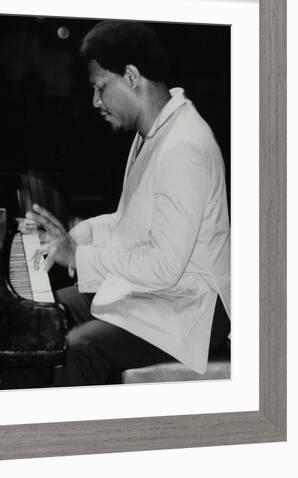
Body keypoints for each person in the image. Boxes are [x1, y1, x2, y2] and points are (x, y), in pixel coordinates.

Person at [26, 20, 231, 386]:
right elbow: (128, 222)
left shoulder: (183, 145)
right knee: (44, 312)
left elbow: (165, 264)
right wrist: (75, 235)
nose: (95, 102)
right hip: (162, 293)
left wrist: (77, 256)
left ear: (132, 76)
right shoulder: (153, 133)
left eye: (101, 88)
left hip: (190, 309)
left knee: (78, 347)